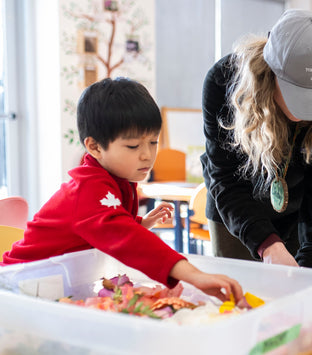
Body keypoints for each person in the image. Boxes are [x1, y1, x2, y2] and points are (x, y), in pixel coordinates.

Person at [2, 78, 243, 303]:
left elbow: (107, 227)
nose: (147, 155)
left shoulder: (116, 179)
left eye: (153, 142)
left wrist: (139, 222)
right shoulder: (88, 189)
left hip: (54, 284)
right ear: (95, 146)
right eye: (132, 145)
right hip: (19, 285)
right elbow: (124, 237)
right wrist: (192, 274)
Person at [201, 9, 312, 270]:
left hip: (297, 210)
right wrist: (268, 245)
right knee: (241, 298)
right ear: (271, 72)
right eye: (300, 95)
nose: (310, 111)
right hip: (235, 209)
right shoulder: (224, 82)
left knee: (300, 290)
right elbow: (226, 180)